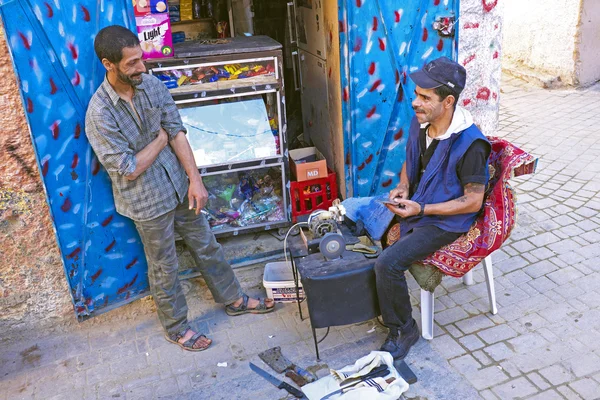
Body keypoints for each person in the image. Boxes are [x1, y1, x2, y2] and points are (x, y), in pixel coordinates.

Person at [85, 25, 274, 352]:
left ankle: (233, 298)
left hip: (179, 185)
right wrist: (160, 137)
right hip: (145, 200)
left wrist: (195, 180)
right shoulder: (99, 113)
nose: (141, 67)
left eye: (141, 59)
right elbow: (130, 168)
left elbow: (179, 132)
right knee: (164, 266)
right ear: (108, 64)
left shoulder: (152, 86)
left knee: (208, 245)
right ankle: (176, 328)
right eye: (131, 63)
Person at [374, 57, 491, 360]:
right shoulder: (421, 122)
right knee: (365, 223)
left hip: (447, 222)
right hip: (420, 206)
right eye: (416, 94)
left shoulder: (471, 143)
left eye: (425, 97)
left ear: (448, 101)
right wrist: (402, 186)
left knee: (387, 264)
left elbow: (473, 201)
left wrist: (421, 209)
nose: (415, 102)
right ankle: (385, 302)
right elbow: (409, 160)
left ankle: (404, 328)